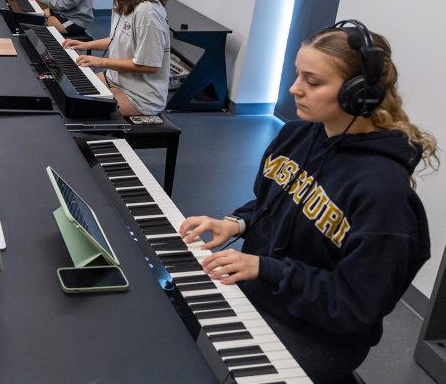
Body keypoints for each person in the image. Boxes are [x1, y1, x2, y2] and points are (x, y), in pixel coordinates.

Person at [178, 21, 437, 382]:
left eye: (312, 82)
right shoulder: (299, 135)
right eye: (297, 75)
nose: (294, 89)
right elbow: (272, 203)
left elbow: (354, 304)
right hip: (266, 288)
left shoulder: (384, 194)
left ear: (358, 93)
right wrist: (236, 222)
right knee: (173, 307)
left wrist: (264, 268)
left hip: (318, 331)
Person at [62, 0, 170, 117]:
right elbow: (116, 39)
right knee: (70, 94)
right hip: (116, 79)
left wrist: (100, 62)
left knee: (79, 110)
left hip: (140, 96)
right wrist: (85, 44)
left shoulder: (148, 11)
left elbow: (149, 65)